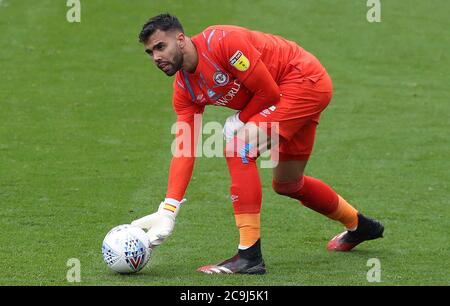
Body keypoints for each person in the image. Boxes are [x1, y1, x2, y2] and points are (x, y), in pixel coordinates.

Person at [131, 13, 384, 275]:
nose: (156, 57)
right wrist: (169, 209)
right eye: (150, 52)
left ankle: (249, 255)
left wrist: (240, 118)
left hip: (302, 82)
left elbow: (269, 92)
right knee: (287, 183)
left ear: (181, 39)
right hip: (286, 96)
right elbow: (185, 146)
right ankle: (360, 226)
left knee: (238, 149)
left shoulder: (222, 42)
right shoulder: (185, 88)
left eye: (161, 47)